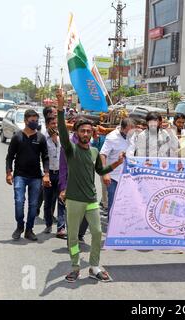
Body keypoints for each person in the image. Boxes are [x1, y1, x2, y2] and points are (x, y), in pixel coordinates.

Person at [56, 89, 125, 283]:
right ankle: (76, 266)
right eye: (82, 130)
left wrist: (117, 163)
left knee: (96, 232)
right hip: (74, 200)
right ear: (77, 133)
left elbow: (101, 171)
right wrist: (60, 108)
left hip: (91, 200)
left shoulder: (94, 151)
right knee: (72, 238)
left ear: (92, 133)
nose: (85, 133)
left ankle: (94, 265)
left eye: (88, 131)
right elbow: (62, 131)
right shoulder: (71, 150)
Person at [6, 109, 51, 241]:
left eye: (36, 121)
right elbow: (9, 157)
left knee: (33, 205)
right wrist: (9, 173)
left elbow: (46, 157)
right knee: (19, 201)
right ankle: (20, 226)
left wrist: (46, 174)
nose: (35, 123)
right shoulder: (17, 137)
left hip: (36, 177)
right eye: (32, 121)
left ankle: (29, 230)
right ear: (26, 121)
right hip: (20, 175)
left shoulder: (41, 138)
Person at [100, 118, 136, 216]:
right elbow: (102, 155)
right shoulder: (111, 138)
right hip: (113, 178)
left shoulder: (132, 136)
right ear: (123, 128)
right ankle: (112, 229)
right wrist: (105, 173)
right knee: (113, 206)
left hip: (127, 177)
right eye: (129, 130)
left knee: (126, 206)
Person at [42, 116, 65, 235]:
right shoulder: (43, 138)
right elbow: (41, 158)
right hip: (49, 173)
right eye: (52, 123)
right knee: (49, 201)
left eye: (56, 123)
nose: (55, 125)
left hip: (61, 173)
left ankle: (61, 227)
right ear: (47, 125)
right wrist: (44, 175)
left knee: (62, 199)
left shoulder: (62, 137)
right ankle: (48, 224)